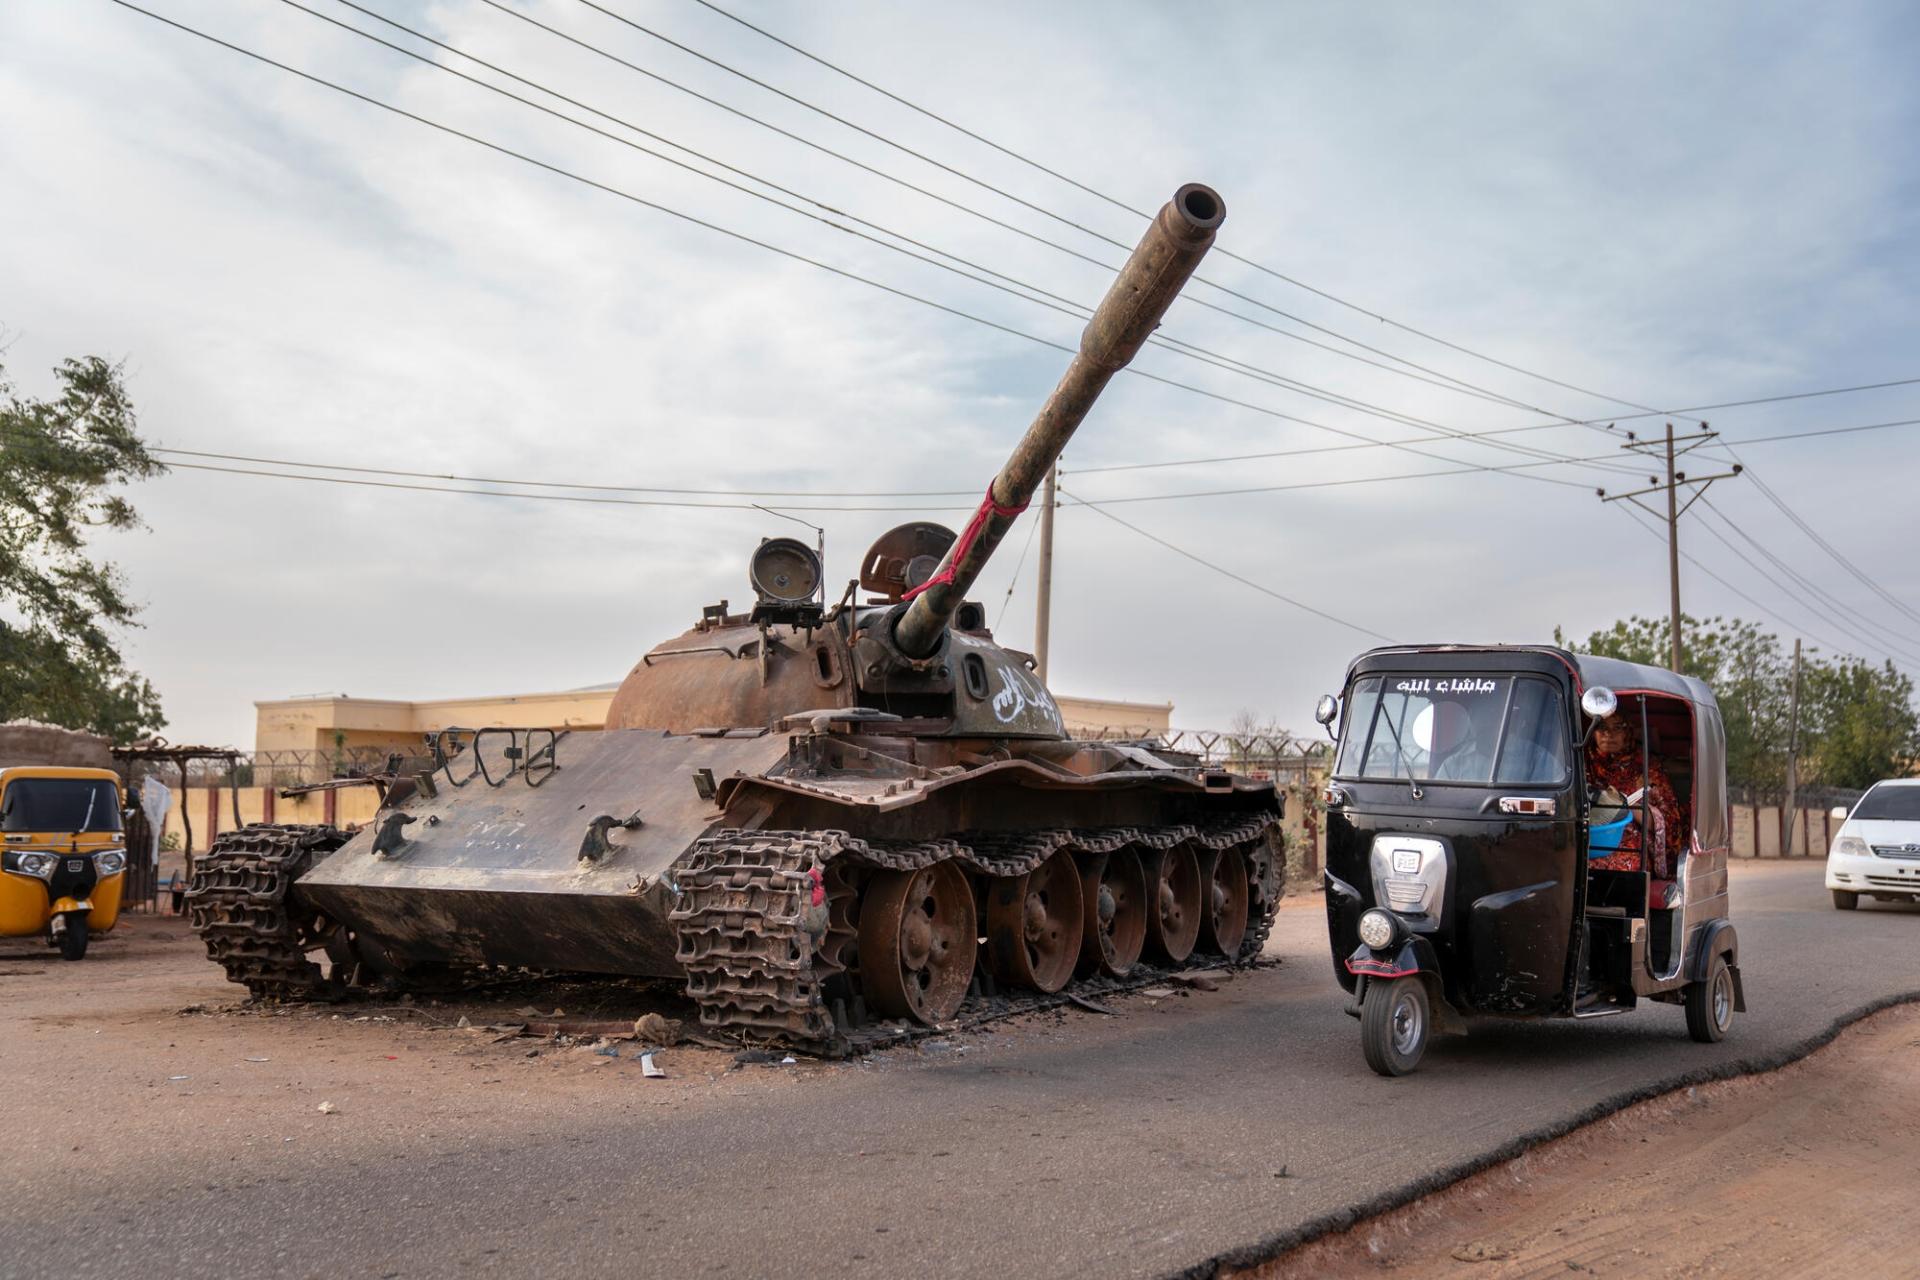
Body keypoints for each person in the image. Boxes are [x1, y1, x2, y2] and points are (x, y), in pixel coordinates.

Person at [1586, 710, 1684, 877]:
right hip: (1589, 835)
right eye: (1601, 727)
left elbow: (1670, 821)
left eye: (1617, 727)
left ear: (1627, 731)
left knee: (1621, 866)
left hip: (1631, 837)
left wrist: (1628, 807)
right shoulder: (1583, 760)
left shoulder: (1646, 765)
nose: (1608, 735)